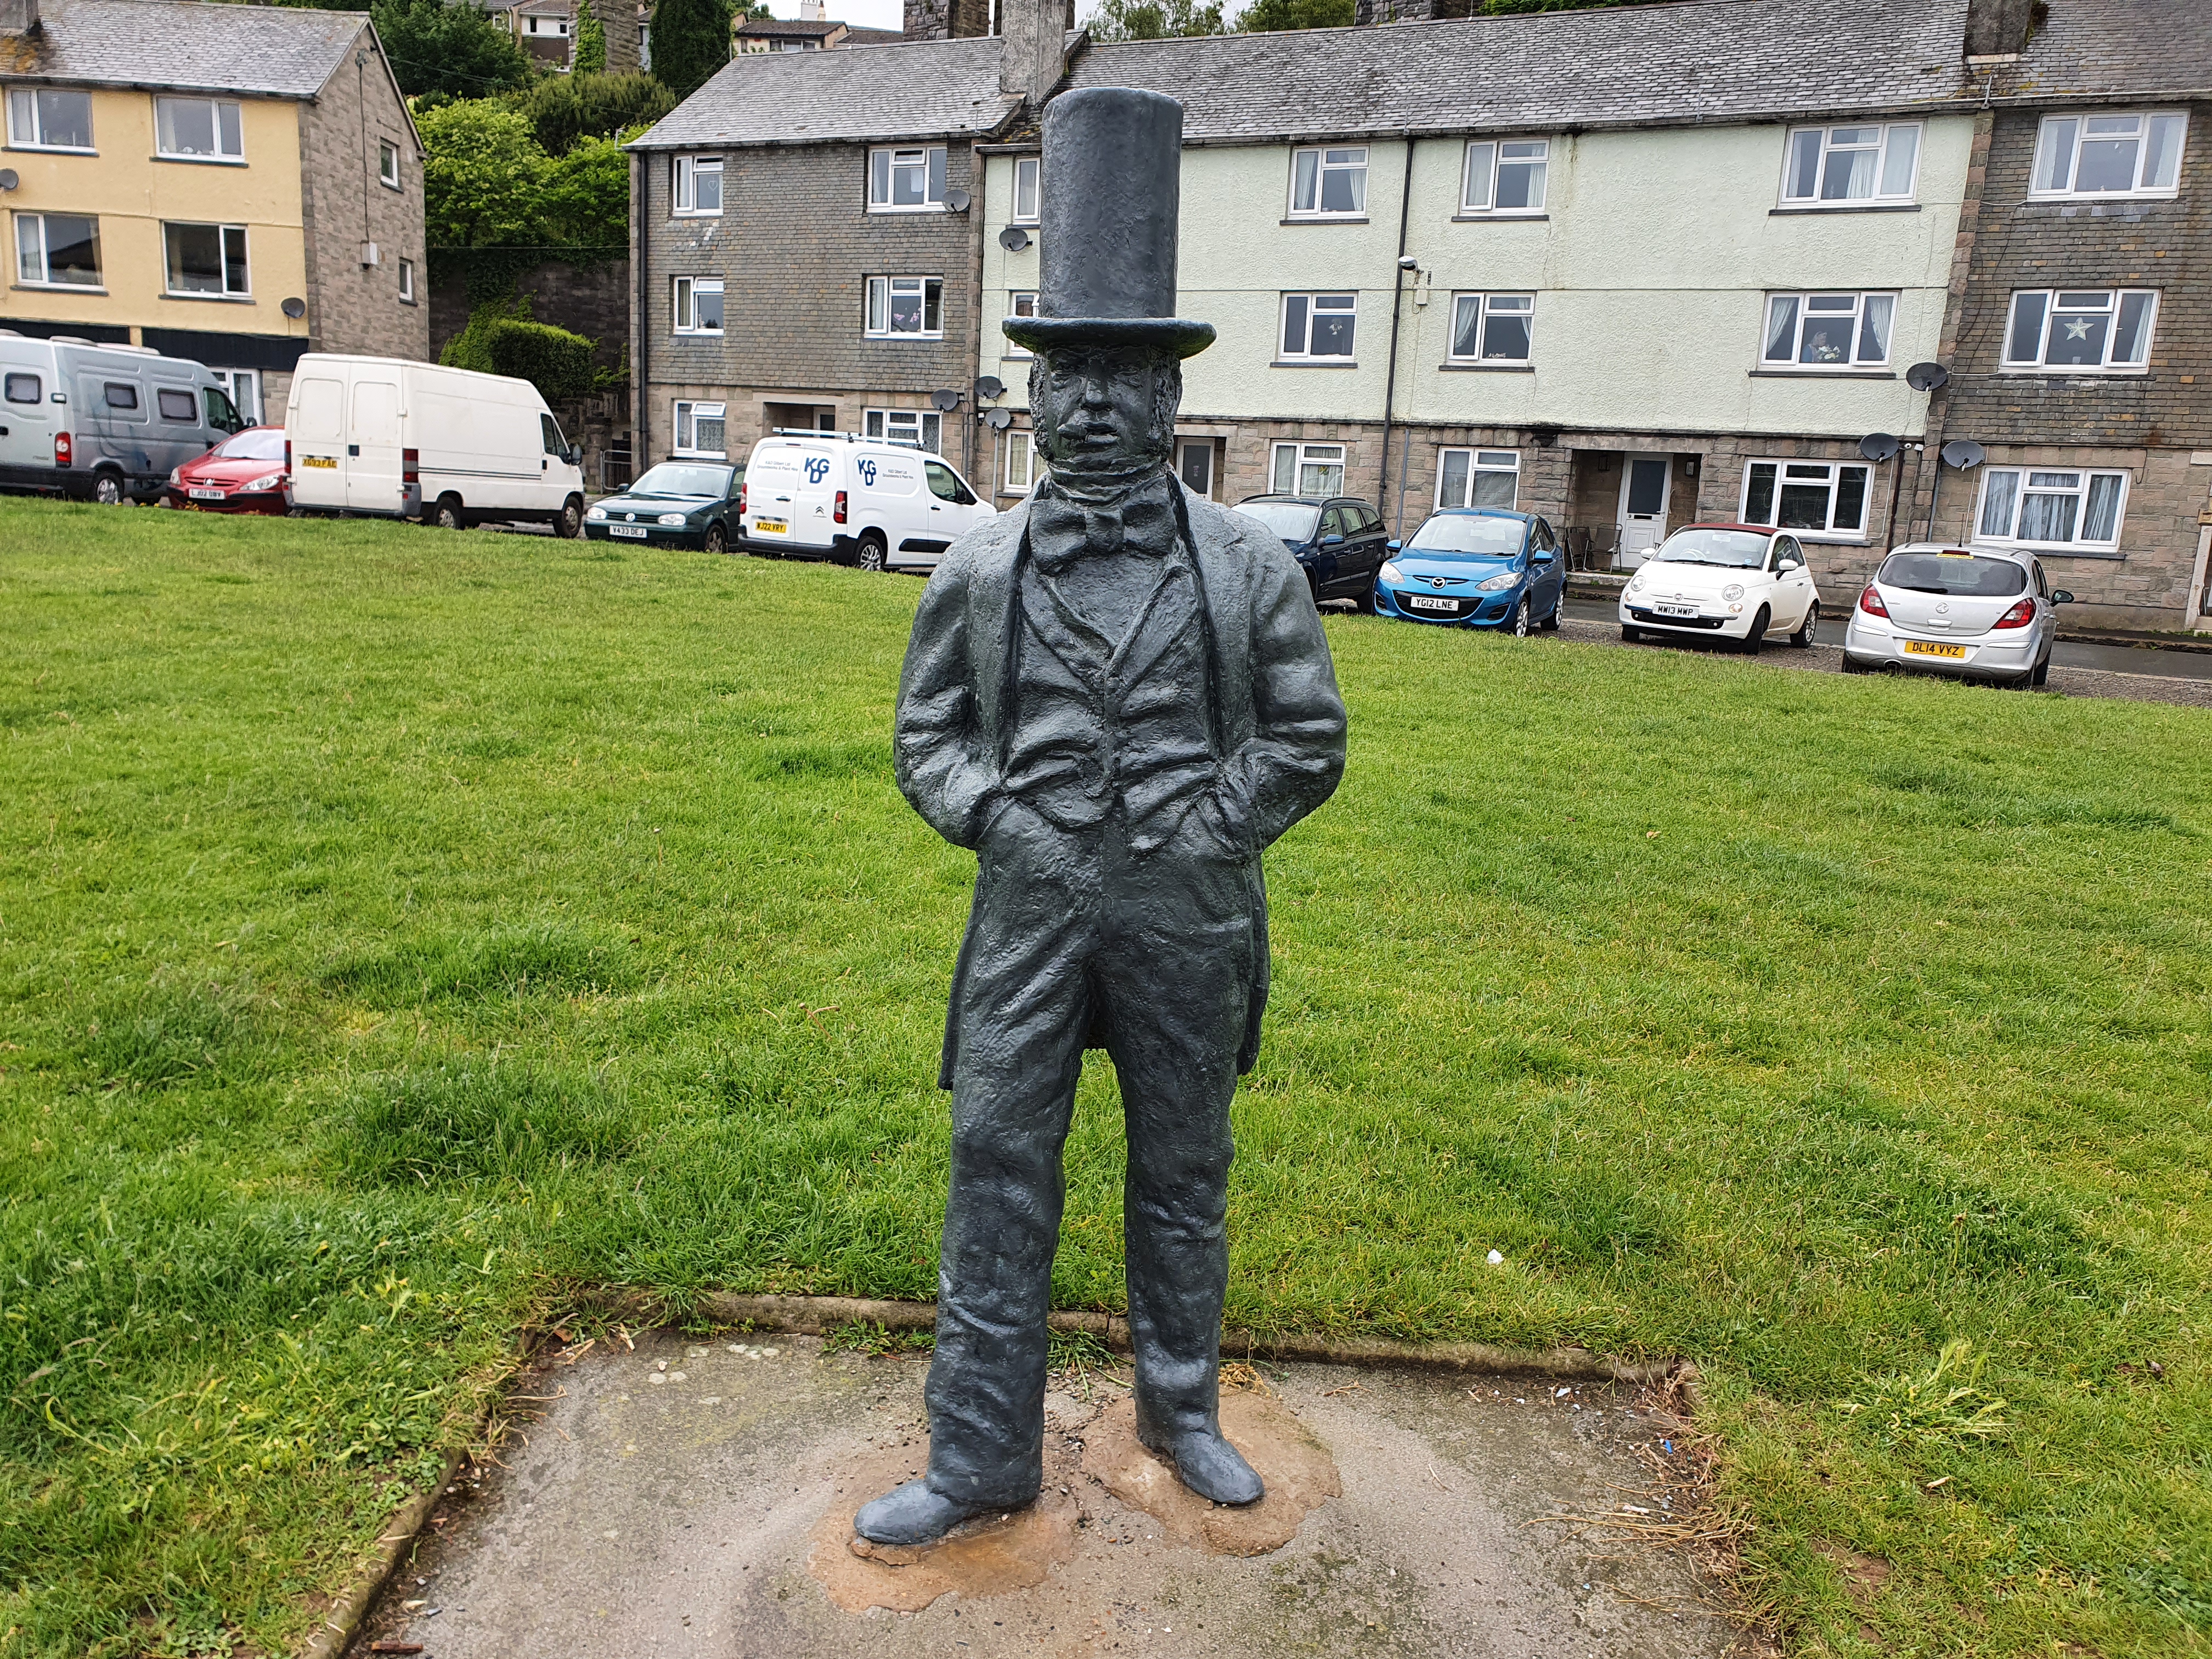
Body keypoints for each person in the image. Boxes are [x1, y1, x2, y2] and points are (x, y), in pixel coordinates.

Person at [855, 86, 1348, 1549]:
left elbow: (1310, 737)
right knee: (997, 1168)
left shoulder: (1249, 565)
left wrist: (1218, 822)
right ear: (1033, 395)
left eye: (1126, 377)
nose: (1093, 404)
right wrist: (987, 816)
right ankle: (979, 1456)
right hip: (1026, 910)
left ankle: (1181, 1412)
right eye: (1068, 377)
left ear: (1171, 398)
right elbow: (926, 735)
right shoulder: (982, 564)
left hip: (1188, 914)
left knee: (1184, 1168)